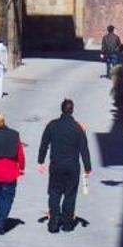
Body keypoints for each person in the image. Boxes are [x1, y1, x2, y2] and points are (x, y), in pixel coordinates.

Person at [36, 96, 93, 232]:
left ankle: (54, 219)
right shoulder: (78, 128)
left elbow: (44, 144)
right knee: (70, 194)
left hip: (56, 165)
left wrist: (41, 161)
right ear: (72, 110)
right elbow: (84, 149)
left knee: (54, 192)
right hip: (72, 166)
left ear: (61, 110)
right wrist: (88, 168)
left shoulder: (52, 125)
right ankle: (67, 223)